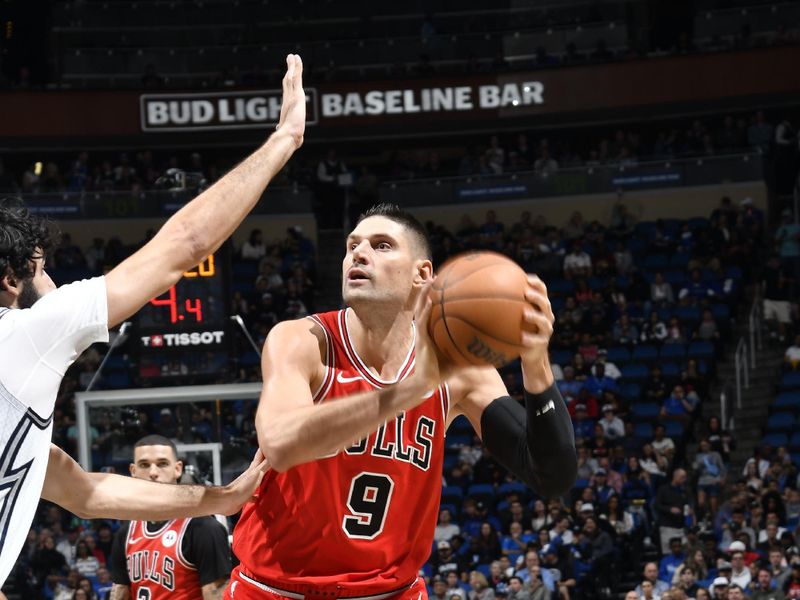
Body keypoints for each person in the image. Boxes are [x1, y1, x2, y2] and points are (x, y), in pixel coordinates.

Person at [0, 53, 307, 587]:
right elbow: (184, 246)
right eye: (45, 271)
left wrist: (223, 497)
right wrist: (284, 140)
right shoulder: (23, 334)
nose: (55, 284)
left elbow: (89, 494)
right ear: (12, 279)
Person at [226, 203, 577, 598]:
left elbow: (552, 475)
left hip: (392, 591)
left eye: (381, 245)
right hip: (276, 589)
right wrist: (405, 392)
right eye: (352, 245)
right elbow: (280, 443)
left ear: (422, 274)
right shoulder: (303, 342)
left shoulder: (458, 369)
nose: (358, 254)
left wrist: (535, 363)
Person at [109, 435, 232, 599]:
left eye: (162, 464)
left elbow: (216, 594)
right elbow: (120, 591)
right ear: (133, 471)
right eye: (144, 465)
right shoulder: (125, 533)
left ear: (178, 469)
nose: (153, 472)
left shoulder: (204, 528)